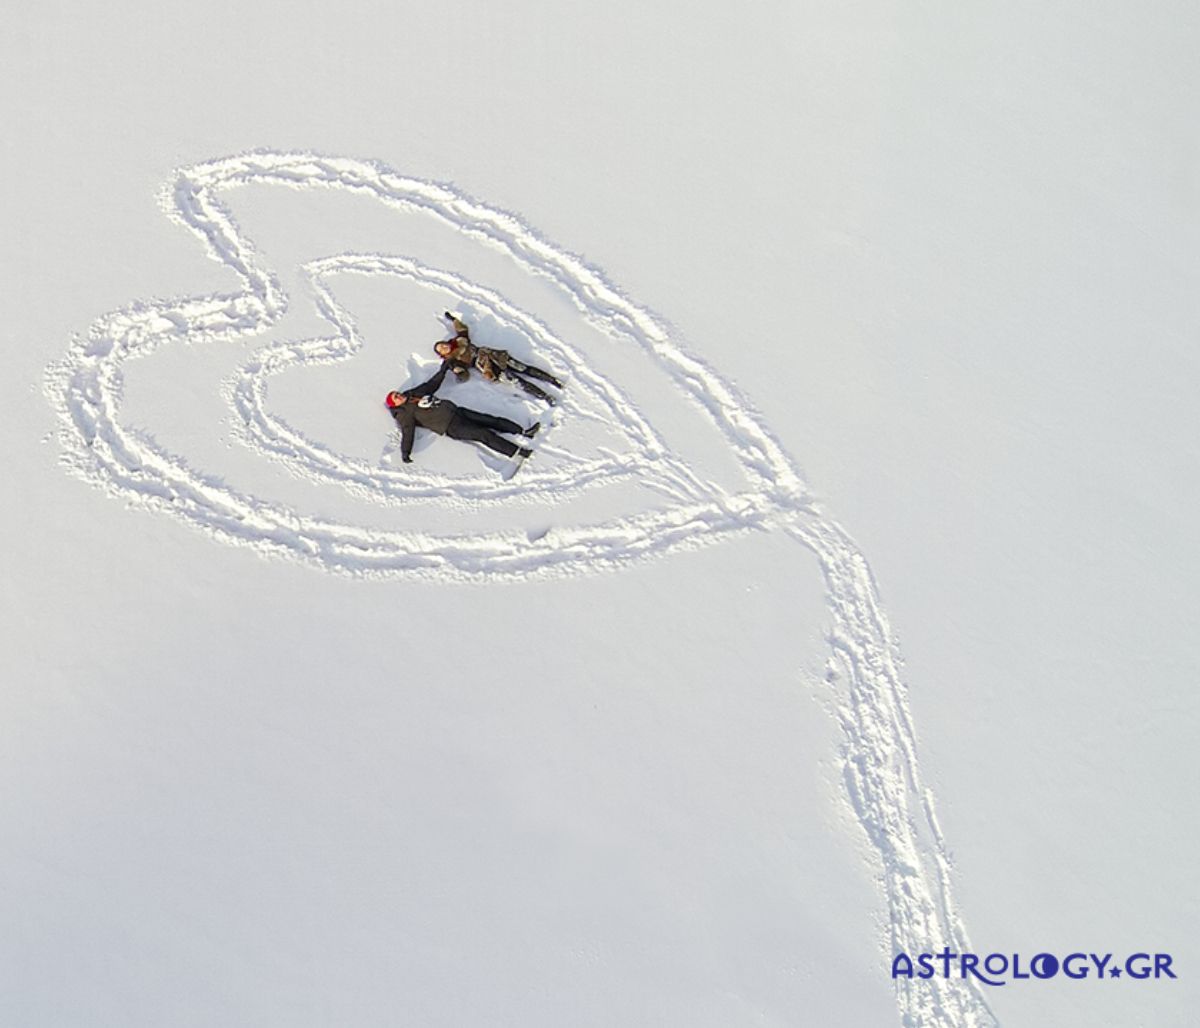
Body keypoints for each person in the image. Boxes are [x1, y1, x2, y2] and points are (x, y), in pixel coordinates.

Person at [385, 364, 539, 464]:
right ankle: (517, 452)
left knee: (491, 420)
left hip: (457, 411)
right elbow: (407, 432)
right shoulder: (403, 414)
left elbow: (431, 385)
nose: (399, 395)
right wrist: (406, 452)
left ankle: (524, 432)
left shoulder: (412, 394)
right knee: (483, 434)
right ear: (395, 404)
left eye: (397, 393)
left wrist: (443, 370)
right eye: (396, 398)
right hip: (451, 426)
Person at [434, 312, 563, 405]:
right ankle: (545, 396)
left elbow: (462, 330)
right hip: (486, 367)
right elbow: (463, 375)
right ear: (442, 354)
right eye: (441, 349)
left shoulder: (460, 341)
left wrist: (454, 320)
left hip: (494, 355)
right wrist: (458, 371)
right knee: (517, 381)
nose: (444, 347)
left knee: (522, 368)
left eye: (443, 345)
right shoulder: (452, 360)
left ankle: (552, 380)